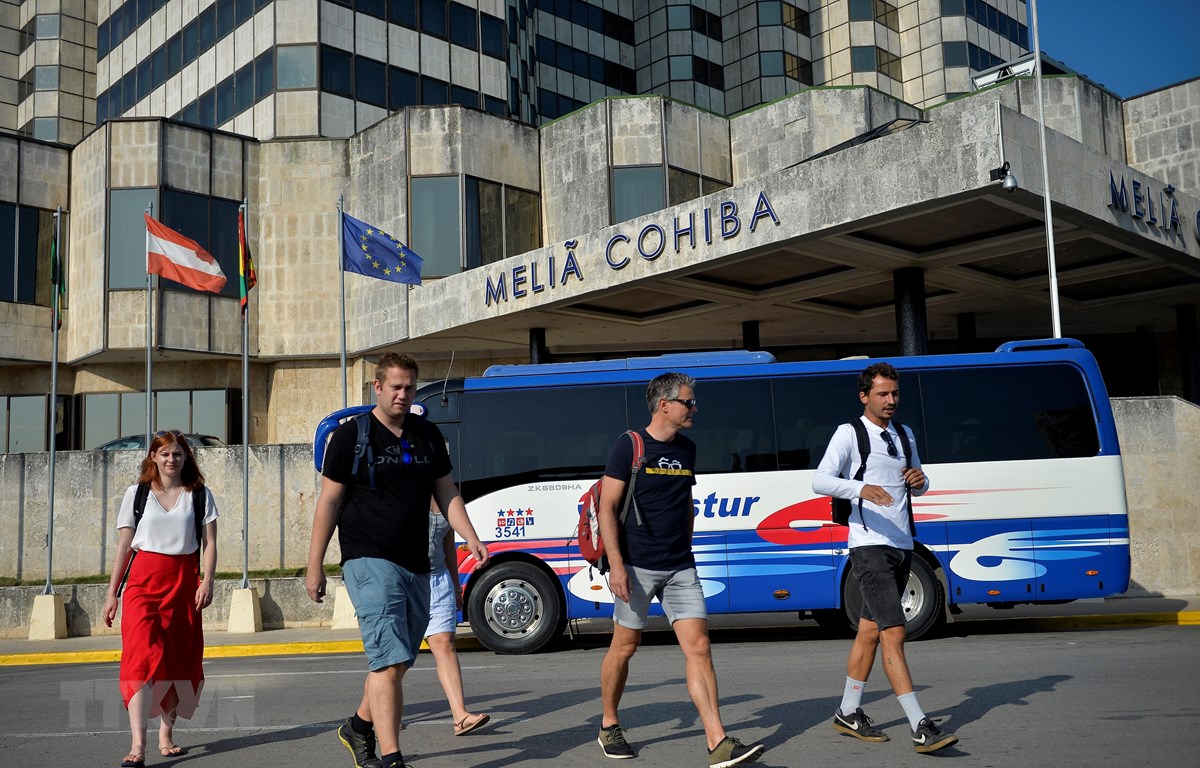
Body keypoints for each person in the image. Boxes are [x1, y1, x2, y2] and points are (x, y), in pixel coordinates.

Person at [306, 352, 489, 768]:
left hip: (416, 562)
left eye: (409, 387)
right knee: (388, 659)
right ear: (377, 387)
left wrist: (470, 537)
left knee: (399, 660)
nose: (403, 395)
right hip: (368, 558)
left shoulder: (426, 434)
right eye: (396, 387)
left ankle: (357, 727)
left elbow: (446, 492)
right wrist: (314, 565)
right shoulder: (352, 437)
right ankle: (392, 757)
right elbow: (329, 503)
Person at [596, 372, 765, 768]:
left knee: (699, 646)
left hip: (679, 566)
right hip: (636, 565)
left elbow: (685, 502)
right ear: (664, 405)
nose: (694, 408)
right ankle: (609, 724)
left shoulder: (687, 449)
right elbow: (606, 507)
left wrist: (685, 548)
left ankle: (717, 741)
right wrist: (617, 566)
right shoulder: (629, 446)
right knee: (625, 646)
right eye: (688, 402)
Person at [812, 362, 958, 754]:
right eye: (882, 394)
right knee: (894, 632)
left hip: (902, 544)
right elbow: (820, 480)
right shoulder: (850, 434)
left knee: (869, 631)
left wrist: (919, 481)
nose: (891, 400)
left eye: (894, 393)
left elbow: (921, 484)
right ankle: (920, 725)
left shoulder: (905, 434)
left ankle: (847, 711)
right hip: (868, 545)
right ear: (865, 396)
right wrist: (862, 489)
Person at [102, 430, 218, 768]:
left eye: (178, 454)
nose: (171, 459)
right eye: (165, 454)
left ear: (186, 458)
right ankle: (138, 746)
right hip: (142, 584)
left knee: (177, 659)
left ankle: (166, 734)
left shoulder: (199, 495)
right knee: (139, 657)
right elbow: (124, 546)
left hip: (184, 583)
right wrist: (113, 593)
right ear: (153, 457)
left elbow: (209, 544)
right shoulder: (136, 495)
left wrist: (207, 580)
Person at [408, 505, 490, 736]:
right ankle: (377, 710)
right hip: (406, 579)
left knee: (445, 644)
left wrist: (455, 586)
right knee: (399, 655)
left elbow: (448, 545)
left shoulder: (447, 495)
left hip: (438, 578)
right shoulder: (406, 487)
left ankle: (460, 716)